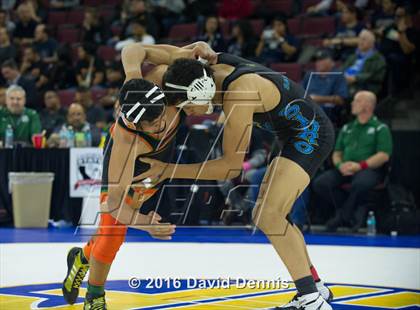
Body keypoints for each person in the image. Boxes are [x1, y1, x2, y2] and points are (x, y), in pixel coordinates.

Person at [128, 43, 335, 309]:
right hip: (288, 131)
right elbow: (135, 50)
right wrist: (131, 79)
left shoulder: (239, 92)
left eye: (187, 107)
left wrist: (167, 170)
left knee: (268, 215)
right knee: (272, 214)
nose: (187, 114)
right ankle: (315, 289)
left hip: (310, 134)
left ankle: (311, 300)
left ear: (198, 93)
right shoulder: (193, 63)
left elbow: (230, 167)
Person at [61, 42, 215, 310]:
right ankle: (94, 297)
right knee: (112, 233)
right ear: (136, 124)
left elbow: (133, 49)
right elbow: (114, 204)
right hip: (134, 169)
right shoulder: (126, 142)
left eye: (160, 119)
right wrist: (145, 223)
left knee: (110, 233)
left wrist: (189, 49)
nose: (161, 126)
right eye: (153, 125)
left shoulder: (152, 83)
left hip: (156, 165)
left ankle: (82, 259)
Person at [312, 91, 392, 232]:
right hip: (346, 168)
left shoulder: (380, 128)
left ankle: (343, 216)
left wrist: (360, 165)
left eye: (357, 101)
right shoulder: (347, 127)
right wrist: (340, 165)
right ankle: (349, 212)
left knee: (360, 183)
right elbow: (337, 153)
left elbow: (383, 155)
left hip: (368, 168)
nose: (352, 104)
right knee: (321, 183)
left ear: (367, 105)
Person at [302, 49, 349, 126]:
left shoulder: (338, 75)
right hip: (307, 108)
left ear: (332, 62)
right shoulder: (309, 75)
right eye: (317, 60)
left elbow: (341, 100)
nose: (318, 63)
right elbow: (299, 91)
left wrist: (319, 99)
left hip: (327, 112)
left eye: (321, 60)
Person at [342, 29, 386, 96]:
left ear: (372, 43)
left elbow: (376, 76)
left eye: (364, 39)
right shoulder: (352, 57)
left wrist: (356, 78)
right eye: (359, 39)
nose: (360, 42)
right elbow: (342, 70)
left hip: (364, 88)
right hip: (346, 85)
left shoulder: (378, 59)